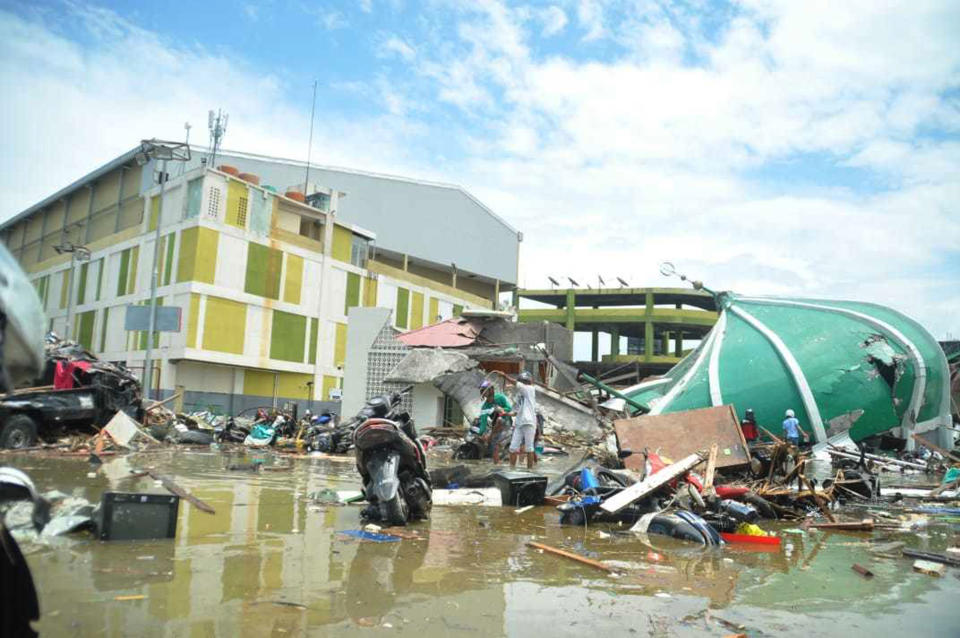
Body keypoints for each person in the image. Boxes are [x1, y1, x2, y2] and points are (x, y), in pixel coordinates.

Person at [478, 380, 513, 463]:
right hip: (495, 427)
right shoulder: (485, 407)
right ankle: (496, 465)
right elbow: (483, 423)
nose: (484, 392)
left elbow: (509, 408)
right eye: (482, 390)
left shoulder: (500, 397)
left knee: (500, 420)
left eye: (486, 390)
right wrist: (480, 434)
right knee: (494, 447)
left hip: (506, 423)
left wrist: (501, 409)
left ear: (491, 390)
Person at [510, 371, 538, 469]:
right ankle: (511, 469)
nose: (524, 383)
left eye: (525, 382)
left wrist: (505, 376)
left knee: (529, 448)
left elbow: (518, 385)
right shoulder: (518, 395)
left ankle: (530, 471)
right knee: (513, 448)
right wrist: (505, 413)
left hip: (529, 422)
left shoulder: (530, 389)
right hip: (519, 423)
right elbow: (515, 411)